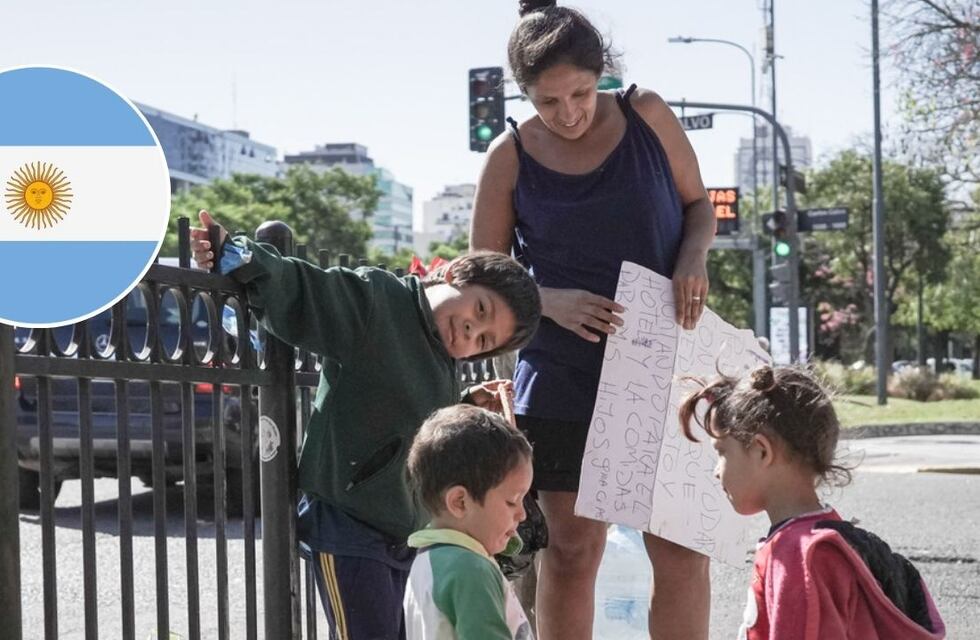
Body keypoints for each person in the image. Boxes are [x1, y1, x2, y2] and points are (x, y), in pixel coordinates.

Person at [469, 2, 716, 638]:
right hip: (562, 373)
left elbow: (698, 206)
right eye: (548, 102)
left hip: (661, 362)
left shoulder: (648, 114)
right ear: (523, 95)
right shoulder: (510, 154)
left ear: (601, 73)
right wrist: (547, 299)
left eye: (580, 92)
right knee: (574, 552)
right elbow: (482, 275)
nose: (569, 112)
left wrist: (692, 259)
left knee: (680, 549)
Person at [190, 210, 542, 640]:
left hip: (403, 533)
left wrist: (465, 402)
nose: (471, 331)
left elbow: (411, 423)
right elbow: (307, 288)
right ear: (450, 273)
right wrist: (237, 254)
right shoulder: (379, 300)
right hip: (347, 524)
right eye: (479, 309)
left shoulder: (444, 357)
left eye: (484, 340)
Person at [679, 365, 947, 640]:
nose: (716, 470)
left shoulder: (796, 555)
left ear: (762, 451)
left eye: (722, 452)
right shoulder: (829, 535)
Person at [403, 404, 535, 640]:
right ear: (460, 502)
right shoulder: (470, 569)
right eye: (512, 501)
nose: (522, 514)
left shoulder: (429, 560)